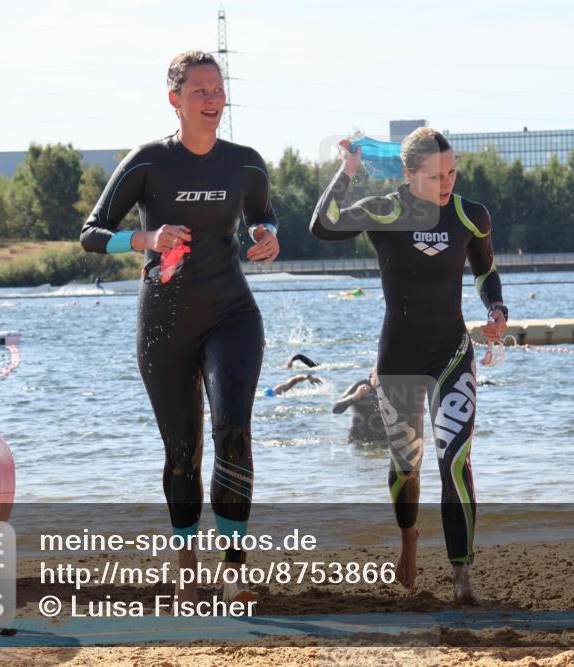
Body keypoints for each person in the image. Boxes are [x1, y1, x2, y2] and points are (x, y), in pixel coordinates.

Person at [80, 50, 279, 605]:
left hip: (231, 313)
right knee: (182, 449)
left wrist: (267, 235)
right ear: (176, 99)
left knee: (233, 434)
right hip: (165, 320)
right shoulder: (148, 162)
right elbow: (91, 234)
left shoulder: (246, 164)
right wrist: (145, 239)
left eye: (218, 90)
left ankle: (235, 564)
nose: (213, 100)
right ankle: (188, 558)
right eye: (200, 91)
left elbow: (263, 213)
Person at [310, 128, 507, 605]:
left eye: (452, 171)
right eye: (435, 175)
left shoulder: (469, 214)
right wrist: (347, 172)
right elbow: (323, 224)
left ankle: (462, 576)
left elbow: (484, 269)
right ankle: (409, 539)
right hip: (398, 356)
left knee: (455, 461)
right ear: (408, 173)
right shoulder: (386, 210)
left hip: (451, 355)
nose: (446, 182)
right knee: (406, 466)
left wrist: (497, 309)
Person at [333, 370, 388, 446]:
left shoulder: (391, 388)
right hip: (360, 441)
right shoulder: (359, 386)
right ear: (372, 374)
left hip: (383, 441)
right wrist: (355, 396)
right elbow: (336, 409)